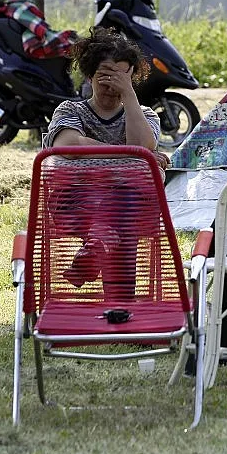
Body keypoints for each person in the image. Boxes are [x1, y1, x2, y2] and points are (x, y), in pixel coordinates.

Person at [44, 27, 169, 299]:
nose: (112, 85)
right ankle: (120, 306)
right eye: (105, 76)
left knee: (121, 212)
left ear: (132, 79)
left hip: (129, 209)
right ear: (89, 75)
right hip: (75, 206)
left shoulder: (145, 115)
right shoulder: (69, 110)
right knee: (120, 215)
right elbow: (69, 145)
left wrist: (130, 96)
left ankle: (98, 246)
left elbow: (144, 146)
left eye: (122, 78)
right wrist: (129, 155)